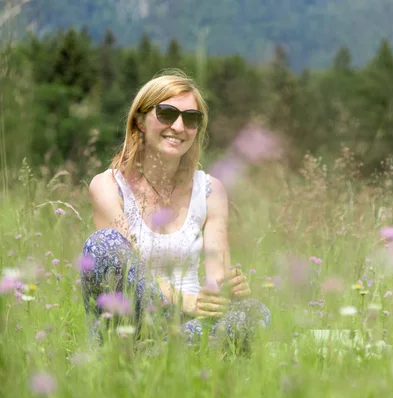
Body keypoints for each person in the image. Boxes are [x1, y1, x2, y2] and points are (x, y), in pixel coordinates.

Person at [80, 69, 270, 349]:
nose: (179, 127)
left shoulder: (211, 190)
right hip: (128, 324)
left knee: (256, 312)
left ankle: (157, 356)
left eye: (191, 119)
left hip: (190, 322)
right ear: (141, 121)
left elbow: (217, 276)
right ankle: (150, 351)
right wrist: (186, 300)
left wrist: (230, 289)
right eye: (167, 114)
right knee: (104, 244)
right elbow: (128, 269)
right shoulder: (107, 186)